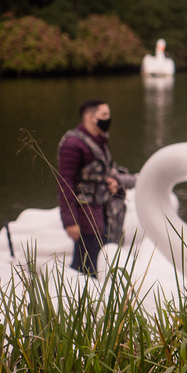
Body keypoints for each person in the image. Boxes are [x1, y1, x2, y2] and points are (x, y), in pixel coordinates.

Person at [56, 99, 134, 275]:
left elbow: (99, 171)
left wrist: (111, 181)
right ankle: (77, 290)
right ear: (90, 117)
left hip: (104, 210)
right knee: (86, 264)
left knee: (102, 259)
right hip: (86, 214)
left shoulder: (99, 140)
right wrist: (70, 221)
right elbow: (65, 182)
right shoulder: (73, 144)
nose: (108, 119)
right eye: (104, 115)